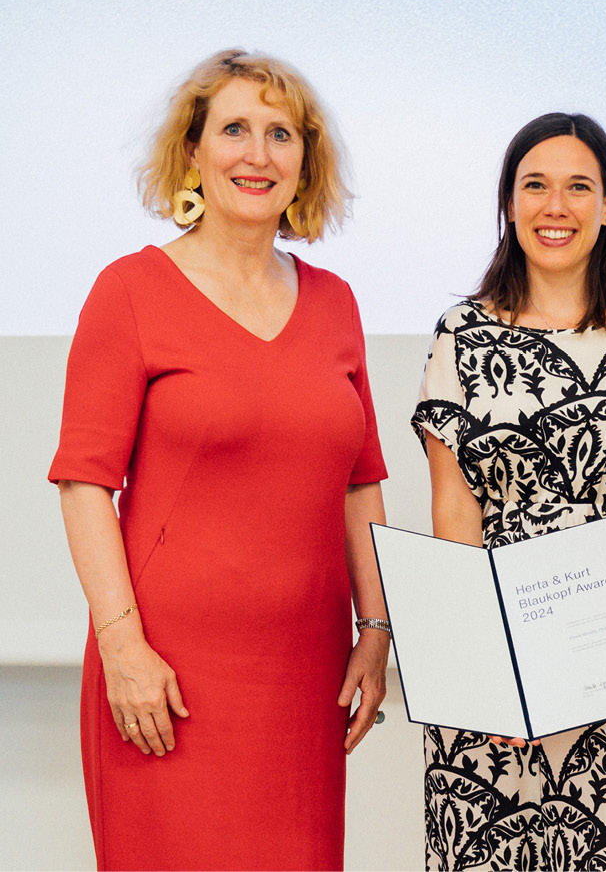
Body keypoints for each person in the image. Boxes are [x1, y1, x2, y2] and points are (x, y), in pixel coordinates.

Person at [49, 49, 390, 870]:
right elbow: (84, 483)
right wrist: (123, 648)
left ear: (305, 161)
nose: (257, 153)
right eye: (234, 128)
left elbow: (360, 485)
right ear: (193, 150)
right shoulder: (129, 291)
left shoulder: (336, 302)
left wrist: (377, 629)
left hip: (302, 685)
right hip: (165, 681)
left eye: (281, 133)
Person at [413, 112, 606, 871]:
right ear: (509, 203)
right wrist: (490, 667)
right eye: (535, 186)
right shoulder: (461, 333)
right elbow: (454, 506)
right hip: (495, 649)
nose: (555, 206)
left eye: (578, 187)